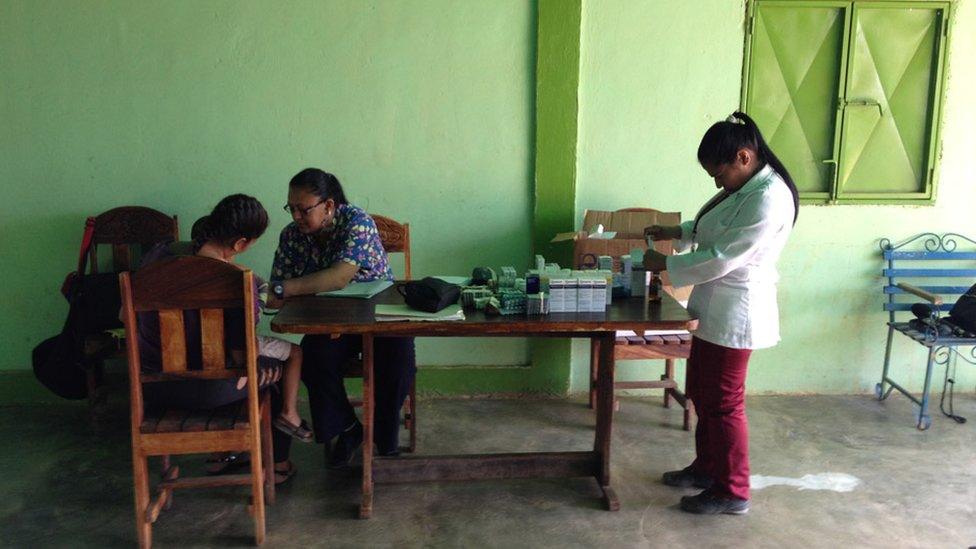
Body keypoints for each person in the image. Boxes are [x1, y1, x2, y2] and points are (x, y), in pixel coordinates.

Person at [643, 111, 799, 515]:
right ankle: (707, 468)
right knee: (701, 393)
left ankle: (733, 490)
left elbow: (723, 256)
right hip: (713, 309)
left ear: (744, 158)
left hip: (738, 312)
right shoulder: (744, 189)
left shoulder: (768, 197)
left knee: (725, 403)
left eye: (720, 172)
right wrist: (676, 233)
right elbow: (716, 227)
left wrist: (662, 265)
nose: (717, 181)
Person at [138, 194, 311, 484]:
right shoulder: (237, 281)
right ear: (240, 244)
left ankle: (226, 456)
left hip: (153, 387)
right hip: (208, 390)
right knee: (272, 369)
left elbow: (122, 315)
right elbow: (239, 358)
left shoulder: (156, 257)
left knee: (256, 361)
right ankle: (277, 466)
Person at [268, 168, 416, 467]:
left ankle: (384, 437)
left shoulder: (357, 222)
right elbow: (276, 292)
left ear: (329, 206)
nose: (296, 216)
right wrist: (281, 291)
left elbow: (338, 278)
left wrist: (286, 288)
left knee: (398, 359)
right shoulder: (291, 236)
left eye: (303, 209)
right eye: (291, 208)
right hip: (328, 319)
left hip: (378, 314)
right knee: (313, 357)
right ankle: (348, 429)